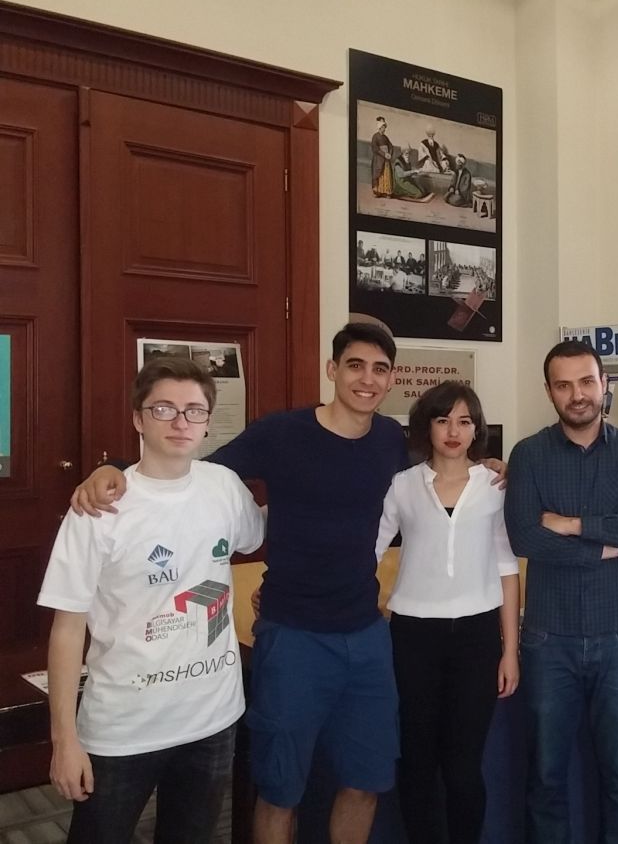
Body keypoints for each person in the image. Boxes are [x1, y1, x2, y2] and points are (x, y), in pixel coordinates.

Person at [71, 323, 408, 844]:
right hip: (293, 638)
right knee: (279, 791)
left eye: (379, 369)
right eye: (355, 365)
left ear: (391, 380)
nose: (367, 379)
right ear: (332, 370)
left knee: (365, 783)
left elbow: (438, 476)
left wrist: (495, 471)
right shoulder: (282, 434)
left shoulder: (390, 440)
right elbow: (187, 471)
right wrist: (113, 468)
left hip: (366, 637)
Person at [40, 357, 264, 844]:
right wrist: (64, 740)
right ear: (138, 419)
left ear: (207, 422)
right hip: (123, 727)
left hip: (212, 719)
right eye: (164, 409)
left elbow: (261, 532)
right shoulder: (99, 507)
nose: (181, 422)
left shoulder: (224, 487)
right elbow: (67, 629)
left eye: (194, 411)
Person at [504, 339, 618, 843]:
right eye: (564, 385)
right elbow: (524, 537)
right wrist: (603, 545)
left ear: (603, 384)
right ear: (549, 391)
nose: (577, 394)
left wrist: (572, 525)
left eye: (586, 382)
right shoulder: (528, 454)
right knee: (546, 774)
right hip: (548, 639)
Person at [374, 381, 520, 844]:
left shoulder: (495, 486)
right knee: (416, 760)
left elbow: (506, 568)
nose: (454, 431)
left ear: (477, 429)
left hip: (477, 638)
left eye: (464, 421)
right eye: (443, 420)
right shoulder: (403, 485)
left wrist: (510, 650)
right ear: (427, 427)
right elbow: (367, 551)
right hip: (413, 636)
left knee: (463, 766)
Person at [370, 116, 394, 197]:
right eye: (383, 127)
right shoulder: (375, 136)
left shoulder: (385, 137)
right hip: (378, 159)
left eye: (385, 127)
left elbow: (391, 146)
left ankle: (387, 192)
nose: (385, 129)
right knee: (379, 174)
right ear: (380, 127)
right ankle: (378, 191)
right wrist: (384, 154)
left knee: (386, 174)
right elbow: (375, 148)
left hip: (386, 159)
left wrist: (389, 154)